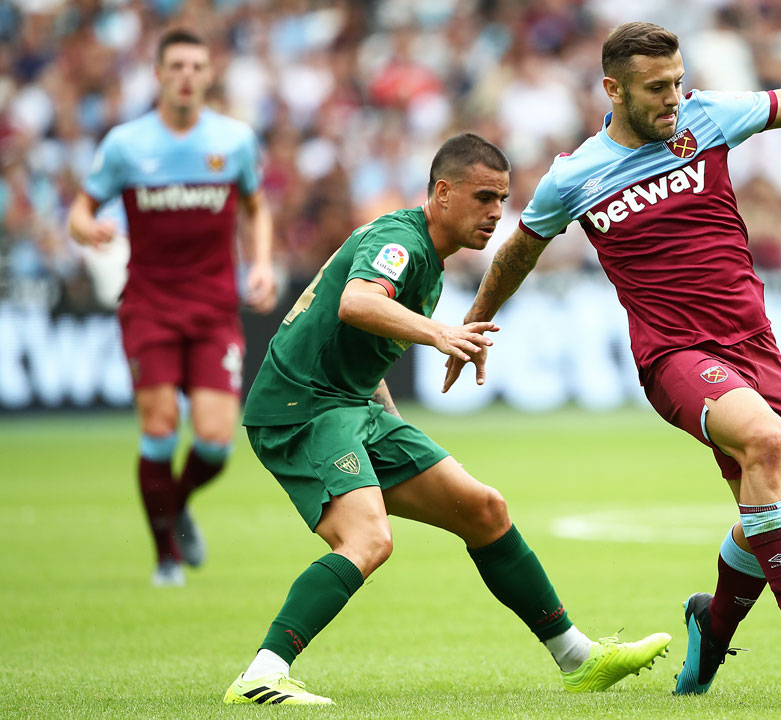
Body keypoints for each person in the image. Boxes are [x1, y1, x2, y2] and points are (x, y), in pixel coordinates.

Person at [443, 22, 781, 695]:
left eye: (676, 81)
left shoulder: (709, 118)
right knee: (765, 438)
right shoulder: (574, 176)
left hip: (753, 341)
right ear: (612, 89)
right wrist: (474, 324)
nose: (673, 98)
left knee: (773, 505)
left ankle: (711, 629)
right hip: (672, 354)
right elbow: (521, 250)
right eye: (655, 89)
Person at [225, 133, 670, 705]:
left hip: (352, 406)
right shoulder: (399, 242)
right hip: (303, 407)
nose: (494, 213)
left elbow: (360, 346)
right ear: (441, 193)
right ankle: (262, 673)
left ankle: (578, 658)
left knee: (484, 510)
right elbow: (356, 303)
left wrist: (395, 433)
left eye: (502, 201)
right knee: (367, 538)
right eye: (484, 197)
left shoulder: (431, 261)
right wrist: (442, 332)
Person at [67, 29, 277, 587]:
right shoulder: (126, 145)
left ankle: (175, 504)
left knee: (213, 441)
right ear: (159, 74)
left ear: (209, 76)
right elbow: (79, 212)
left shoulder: (232, 141)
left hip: (213, 308)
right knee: (160, 429)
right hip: (150, 305)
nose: (187, 75)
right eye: (176, 65)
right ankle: (166, 554)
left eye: (197, 66)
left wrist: (260, 263)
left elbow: (257, 208)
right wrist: (92, 231)